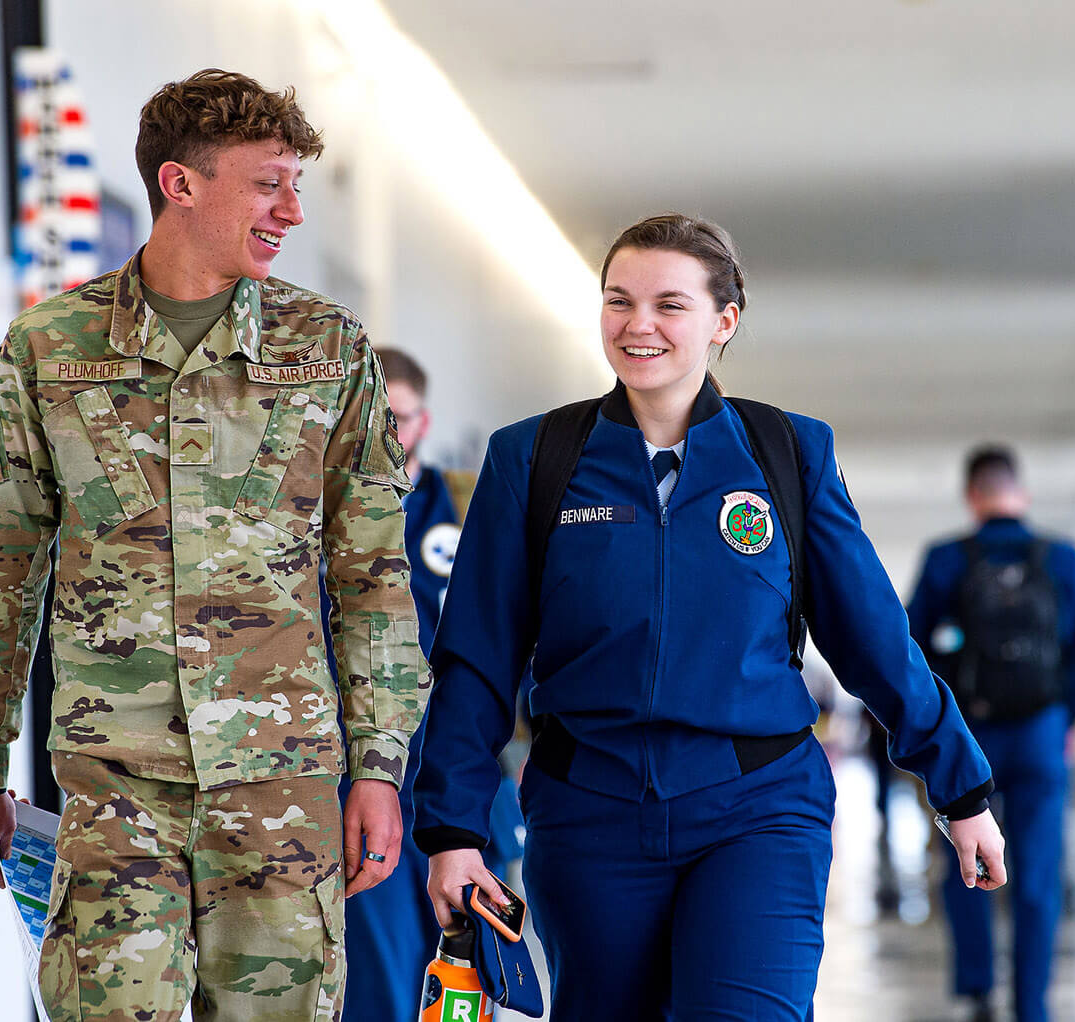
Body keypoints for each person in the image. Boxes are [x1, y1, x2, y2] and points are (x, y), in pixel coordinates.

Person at [411, 213, 1007, 1020]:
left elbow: (873, 640)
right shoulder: (534, 459)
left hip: (756, 807)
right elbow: (477, 658)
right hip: (590, 816)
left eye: (669, 304)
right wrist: (452, 829)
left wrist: (960, 788)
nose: (638, 325)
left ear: (725, 320)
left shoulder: (788, 454)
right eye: (618, 301)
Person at [0, 69, 428, 1022]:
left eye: (295, 184)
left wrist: (379, 767)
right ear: (181, 184)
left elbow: (372, 580)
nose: (289, 209)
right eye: (268, 182)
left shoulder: (329, 349)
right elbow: (0, 575)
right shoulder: (48, 350)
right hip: (113, 788)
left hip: (281, 786)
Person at [340, 347, 525, 1021]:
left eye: (396, 417)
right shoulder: (316, 515)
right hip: (364, 774)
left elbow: (518, 636)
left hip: (461, 770)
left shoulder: (470, 509)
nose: (382, 433)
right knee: (383, 970)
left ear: (423, 423)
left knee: (466, 965)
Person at [907, 445, 1075, 1022]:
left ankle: (976, 988)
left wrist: (935, 728)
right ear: (1022, 493)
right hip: (1043, 731)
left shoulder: (947, 559)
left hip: (970, 737)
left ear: (973, 497)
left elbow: (909, 650)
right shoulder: (1061, 558)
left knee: (968, 854)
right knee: (1039, 869)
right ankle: (1032, 1003)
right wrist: (1070, 718)